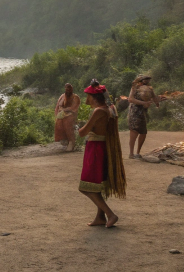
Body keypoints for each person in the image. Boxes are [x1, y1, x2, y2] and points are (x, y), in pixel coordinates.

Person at [77, 80, 126, 227]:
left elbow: (82, 133)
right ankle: (100, 217)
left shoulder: (99, 111)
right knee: (98, 185)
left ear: (93, 97)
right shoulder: (110, 108)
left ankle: (110, 214)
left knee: (85, 187)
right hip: (103, 146)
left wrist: (78, 127)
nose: (86, 99)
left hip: (95, 148)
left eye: (88, 96)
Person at [126, 75, 164, 159]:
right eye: (145, 80)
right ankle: (131, 153)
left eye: (148, 80)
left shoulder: (149, 89)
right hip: (134, 112)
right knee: (134, 132)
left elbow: (155, 98)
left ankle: (138, 153)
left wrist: (159, 101)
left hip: (142, 113)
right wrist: (143, 103)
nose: (147, 81)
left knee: (143, 133)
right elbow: (130, 99)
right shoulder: (135, 88)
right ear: (141, 81)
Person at [54, 83, 81, 152]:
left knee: (67, 122)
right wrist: (57, 114)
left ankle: (71, 141)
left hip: (71, 114)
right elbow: (58, 106)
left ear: (71, 89)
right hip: (62, 114)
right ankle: (64, 139)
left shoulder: (75, 97)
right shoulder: (62, 96)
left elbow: (74, 107)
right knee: (59, 122)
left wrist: (65, 110)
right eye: (66, 88)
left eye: (69, 88)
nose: (68, 90)